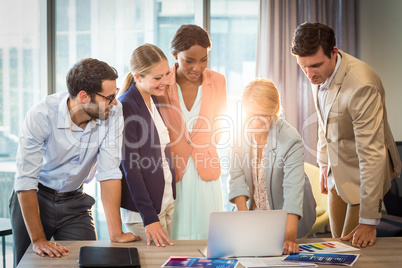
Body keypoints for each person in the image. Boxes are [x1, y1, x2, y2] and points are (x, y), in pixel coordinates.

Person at [9, 58, 141, 266]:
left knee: (89, 261)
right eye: (109, 97)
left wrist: (116, 233)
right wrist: (38, 240)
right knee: (28, 263)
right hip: (35, 198)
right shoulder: (42, 115)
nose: (115, 102)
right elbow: (25, 181)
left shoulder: (113, 112)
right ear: (83, 96)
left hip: (75, 202)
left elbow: (109, 172)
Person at [291, 22, 401, 248]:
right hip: (335, 170)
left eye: (315, 66)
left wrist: (370, 221)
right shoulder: (318, 72)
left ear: (333, 52)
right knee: (335, 244)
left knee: (353, 248)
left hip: (363, 175)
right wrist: (323, 164)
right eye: (303, 67)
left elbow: (372, 153)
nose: (309, 74)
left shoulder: (362, 86)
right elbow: (325, 121)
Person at [228, 78, 316, 255]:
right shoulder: (238, 132)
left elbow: (293, 191)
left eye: (263, 115)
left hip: (289, 216)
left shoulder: (291, 140)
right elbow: (236, 177)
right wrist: (245, 223)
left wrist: (289, 238)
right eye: (250, 114)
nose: (255, 122)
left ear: (275, 110)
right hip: (254, 213)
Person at [156, 24, 227, 240]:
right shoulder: (161, 82)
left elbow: (220, 124)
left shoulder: (218, 81)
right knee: (176, 237)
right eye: (189, 60)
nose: (197, 67)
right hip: (174, 171)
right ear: (175, 55)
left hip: (206, 172)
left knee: (210, 240)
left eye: (203, 60)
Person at [118, 43, 176, 247]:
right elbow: (130, 168)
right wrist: (149, 216)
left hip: (165, 202)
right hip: (144, 213)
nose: (165, 81)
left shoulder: (153, 99)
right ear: (138, 77)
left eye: (167, 74)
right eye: (158, 78)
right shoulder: (127, 106)